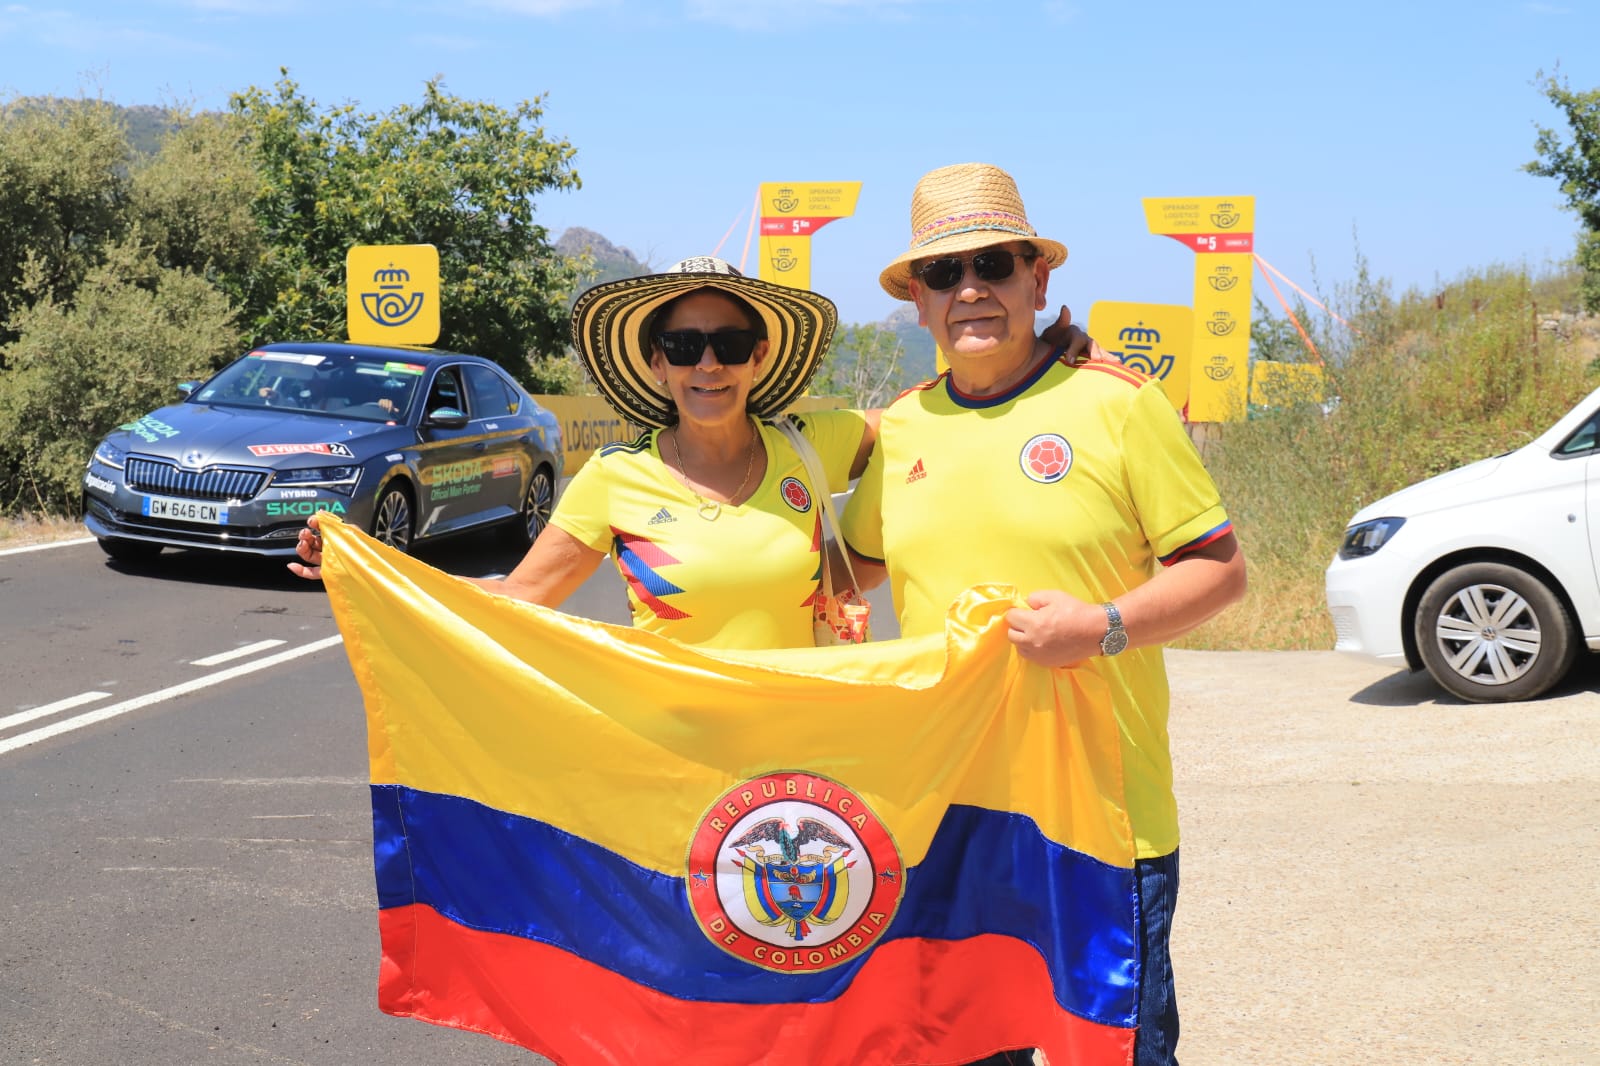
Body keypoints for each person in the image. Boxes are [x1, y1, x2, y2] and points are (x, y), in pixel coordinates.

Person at [839, 163, 1249, 1066]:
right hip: (947, 812)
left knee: (1117, 1053)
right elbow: (849, 569)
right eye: (943, 274)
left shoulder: (1118, 404)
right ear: (916, 299)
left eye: (993, 264)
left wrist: (1100, 627)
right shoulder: (904, 428)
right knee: (961, 1051)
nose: (970, 289)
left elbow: (1219, 571)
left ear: (1039, 279)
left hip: (1100, 813)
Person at [292, 256, 1103, 650]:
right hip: (670, 762)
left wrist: (1047, 359)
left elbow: (946, 411)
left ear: (758, 359)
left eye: (728, 343)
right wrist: (372, 569)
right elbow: (517, 599)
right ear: (656, 365)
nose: (706, 364)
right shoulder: (615, 479)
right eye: (682, 345)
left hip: (803, 765)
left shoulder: (811, 443)